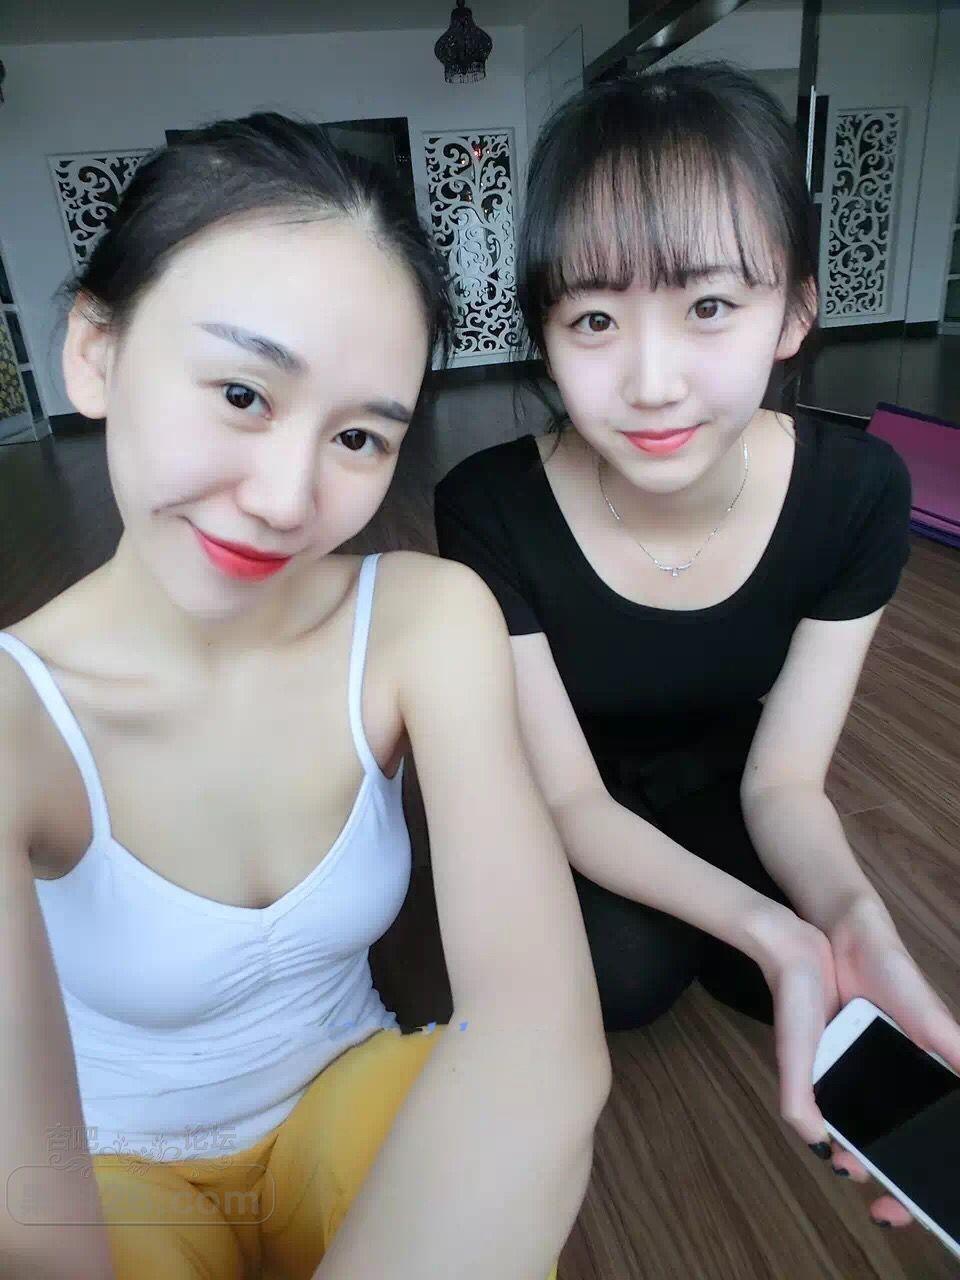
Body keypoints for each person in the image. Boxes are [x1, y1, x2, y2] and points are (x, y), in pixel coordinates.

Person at [0, 113, 612, 1280]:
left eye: (360, 437)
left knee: (490, 1134)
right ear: (95, 353)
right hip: (106, 1174)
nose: (289, 499)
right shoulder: (16, 717)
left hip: (348, 1105)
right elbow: (32, 1224)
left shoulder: (425, 619)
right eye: (242, 392)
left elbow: (540, 1035)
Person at [434, 63, 960, 1231]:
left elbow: (785, 778)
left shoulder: (857, 492)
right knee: (624, 977)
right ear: (545, 335)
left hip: (731, 767)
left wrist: (852, 919)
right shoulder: (488, 507)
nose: (651, 381)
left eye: (710, 306)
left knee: (817, 977)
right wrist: (774, 929)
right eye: (594, 319)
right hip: (569, 778)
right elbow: (569, 796)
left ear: (796, 312)